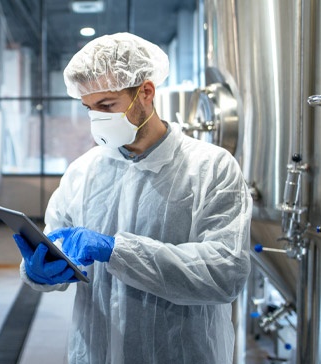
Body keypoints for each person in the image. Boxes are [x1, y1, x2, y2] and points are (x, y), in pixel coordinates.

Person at [13, 32, 252, 364]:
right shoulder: (83, 172)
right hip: (96, 353)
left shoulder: (210, 168)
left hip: (182, 353)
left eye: (107, 105)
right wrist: (40, 270)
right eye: (89, 108)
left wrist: (117, 250)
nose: (97, 119)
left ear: (146, 92)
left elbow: (225, 272)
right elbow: (58, 244)